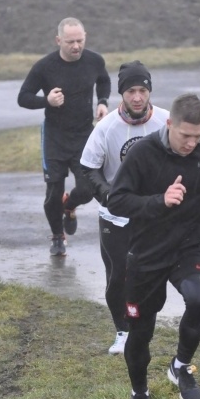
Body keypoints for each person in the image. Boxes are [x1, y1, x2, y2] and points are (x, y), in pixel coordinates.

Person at [107, 93, 200, 399]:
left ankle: (181, 367)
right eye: (186, 136)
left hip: (189, 245)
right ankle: (139, 393)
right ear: (169, 124)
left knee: (199, 299)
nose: (192, 143)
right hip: (147, 251)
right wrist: (159, 201)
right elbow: (116, 201)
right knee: (141, 330)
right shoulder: (143, 153)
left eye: (198, 136)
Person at [80, 61, 170, 356]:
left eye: (142, 90)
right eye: (131, 91)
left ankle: (144, 327)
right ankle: (122, 331)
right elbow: (89, 167)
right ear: (122, 94)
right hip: (115, 217)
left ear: (149, 91)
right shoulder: (106, 127)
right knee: (119, 276)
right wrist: (108, 195)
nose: (137, 97)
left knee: (151, 275)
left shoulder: (167, 122)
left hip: (155, 214)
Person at [18, 18, 111, 257]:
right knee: (52, 194)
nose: (76, 46)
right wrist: (46, 101)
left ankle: (69, 205)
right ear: (59, 40)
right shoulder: (44, 67)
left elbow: (104, 80)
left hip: (83, 136)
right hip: (55, 137)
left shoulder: (94, 60)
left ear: (85, 37)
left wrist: (102, 102)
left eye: (80, 40)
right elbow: (23, 97)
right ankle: (58, 236)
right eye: (70, 42)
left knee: (89, 189)